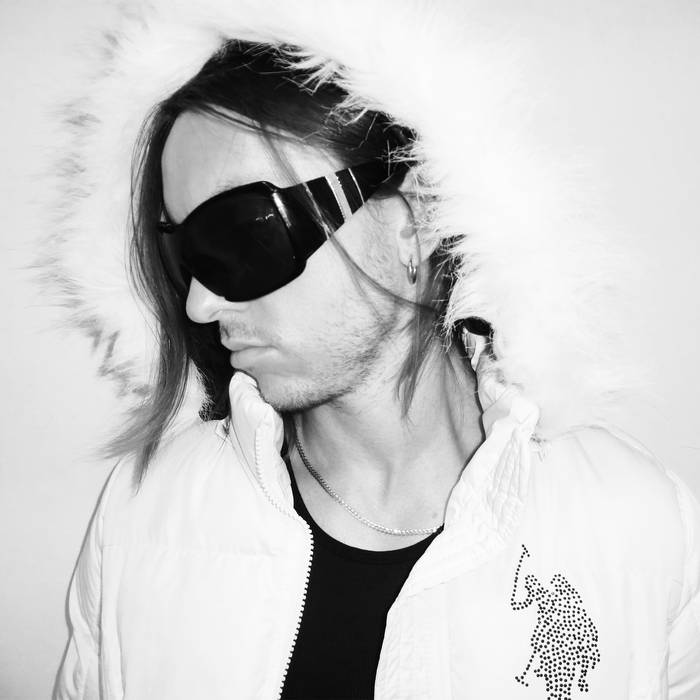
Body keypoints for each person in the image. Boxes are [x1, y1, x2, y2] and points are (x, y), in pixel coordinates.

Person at [45, 3, 700, 699]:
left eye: (243, 235)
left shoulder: (637, 522)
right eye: (186, 256)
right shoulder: (146, 512)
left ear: (413, 223)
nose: (200, 305)